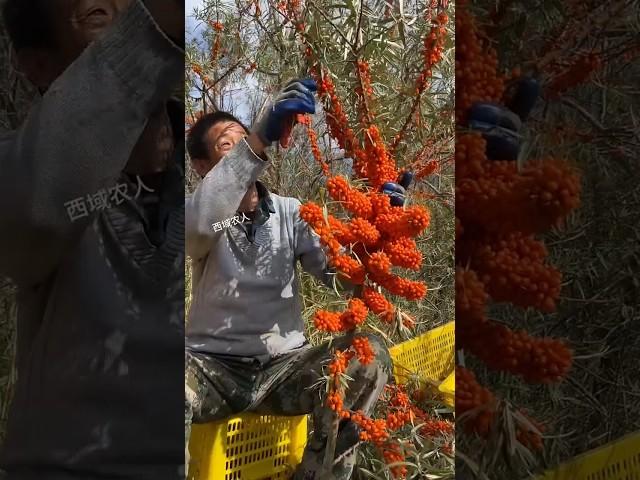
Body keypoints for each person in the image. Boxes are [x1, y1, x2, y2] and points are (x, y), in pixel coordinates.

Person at [0, 1, 185, 478]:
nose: (133, 25)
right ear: (39, 66)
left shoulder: (202, 159)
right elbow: (36, 208)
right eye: (103, 15)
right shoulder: (19, 166)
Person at [184, 79, 404, 479]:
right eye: (228, 146)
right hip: (213, 369)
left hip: (283, 370)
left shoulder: (291, 213)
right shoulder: (202, 216)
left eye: (246, 139)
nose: (247, 152)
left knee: (367, 355)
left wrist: (379, 234)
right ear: (203, 168)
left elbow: (341, 276)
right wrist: (254, 141)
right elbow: (197, 228)